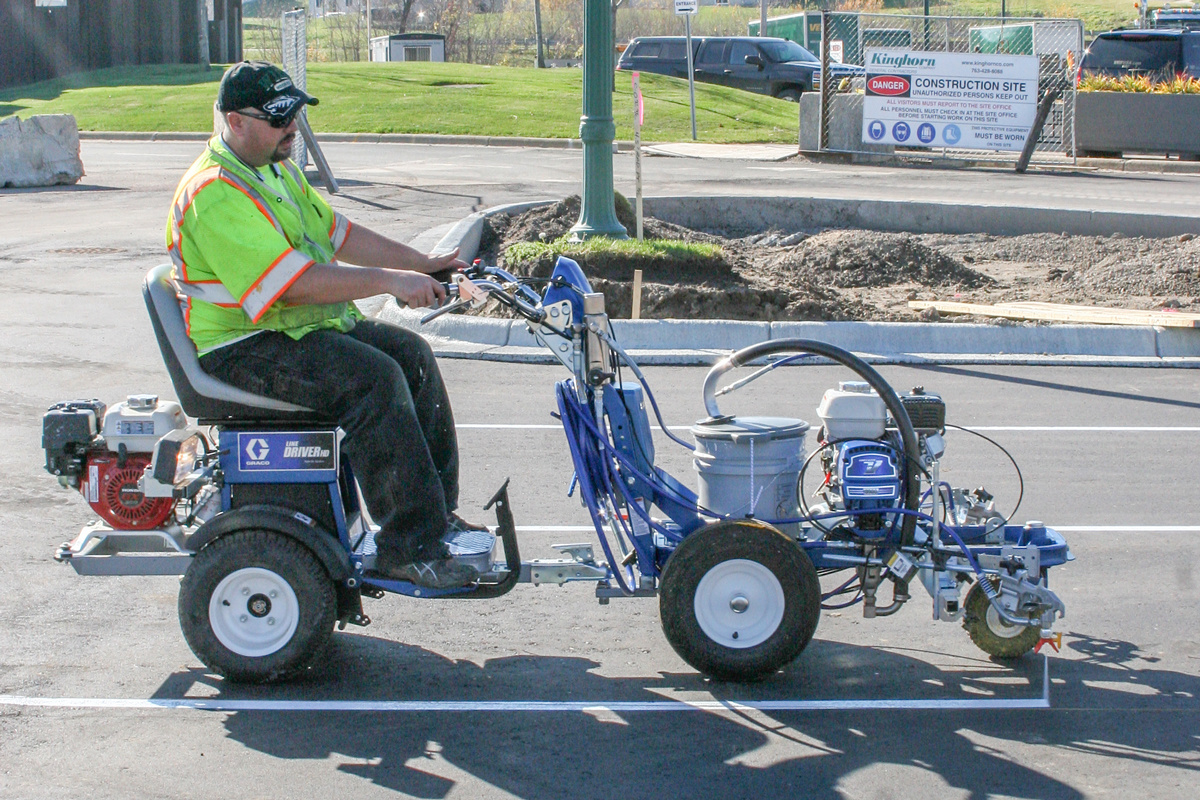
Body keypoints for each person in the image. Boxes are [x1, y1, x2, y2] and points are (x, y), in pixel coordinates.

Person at [165, 61, 481, 589]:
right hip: (241, 346)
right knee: (374, 381)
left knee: (411, 357)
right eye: (278, 117)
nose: (292, 127)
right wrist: (389, 282)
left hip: (288, 331)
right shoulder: (215, 192)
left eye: (295, 114)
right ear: (233, 121)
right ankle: (407, 547)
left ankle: (435, 524)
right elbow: (290, 285)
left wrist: (423, 263)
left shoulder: (273, 167)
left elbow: (338, 234)